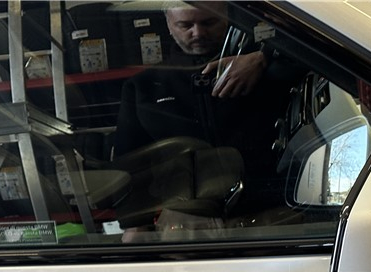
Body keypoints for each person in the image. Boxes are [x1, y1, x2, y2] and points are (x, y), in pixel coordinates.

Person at [113, 1, 300, 222]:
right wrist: (134, 224)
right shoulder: (143, 86)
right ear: (169, 25)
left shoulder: (264, 70)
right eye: (186, 25)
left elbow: (316, 45)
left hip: (270, 210)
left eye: (209, 22)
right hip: (186, 217)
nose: (198, 33)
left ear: (227, 18)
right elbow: (129, 163)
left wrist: (263, 57)